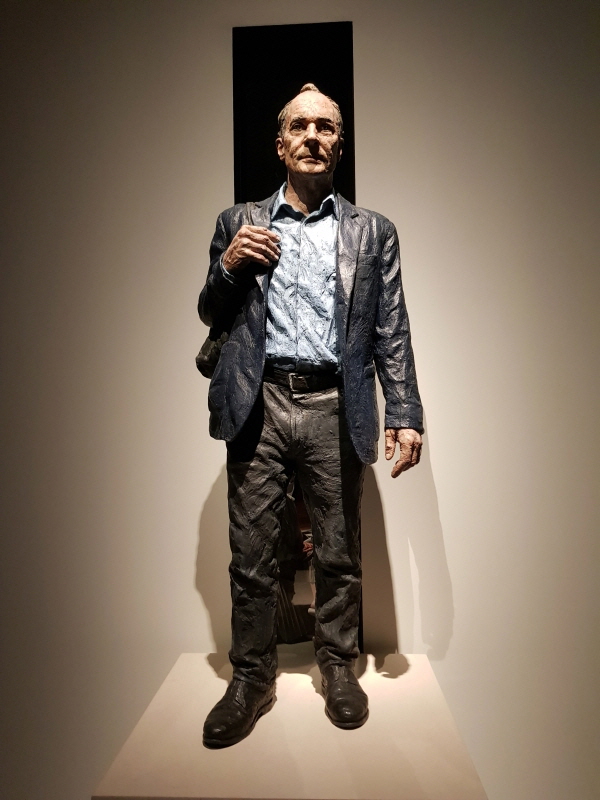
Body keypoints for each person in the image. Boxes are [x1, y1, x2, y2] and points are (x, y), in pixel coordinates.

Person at [198, 83, 423, 748]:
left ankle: (339, 667)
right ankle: (251, 677)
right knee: (251, 555)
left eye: (326, 127)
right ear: (280, 144)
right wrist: (229, 266)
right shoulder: (238, 222)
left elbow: (391, 330)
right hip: (259, 400)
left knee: (339, 549)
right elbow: (210, 310)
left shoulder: (371, 232)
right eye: (300, 126)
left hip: (334, 401)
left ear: (340, 145)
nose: (313, 137)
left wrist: (405, 411)